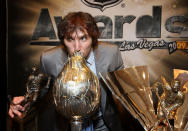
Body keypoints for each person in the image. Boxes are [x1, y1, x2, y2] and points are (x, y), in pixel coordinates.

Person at [8, 11, 144, 131]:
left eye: (83, 38)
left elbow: (125, 93)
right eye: (70, 39)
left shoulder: (111, 54)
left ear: (93, 39)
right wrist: (24, 103)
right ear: (63, 41)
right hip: (66, 126)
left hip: (103, 124)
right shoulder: (49, 59)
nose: (77, 47)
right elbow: (39, 95)